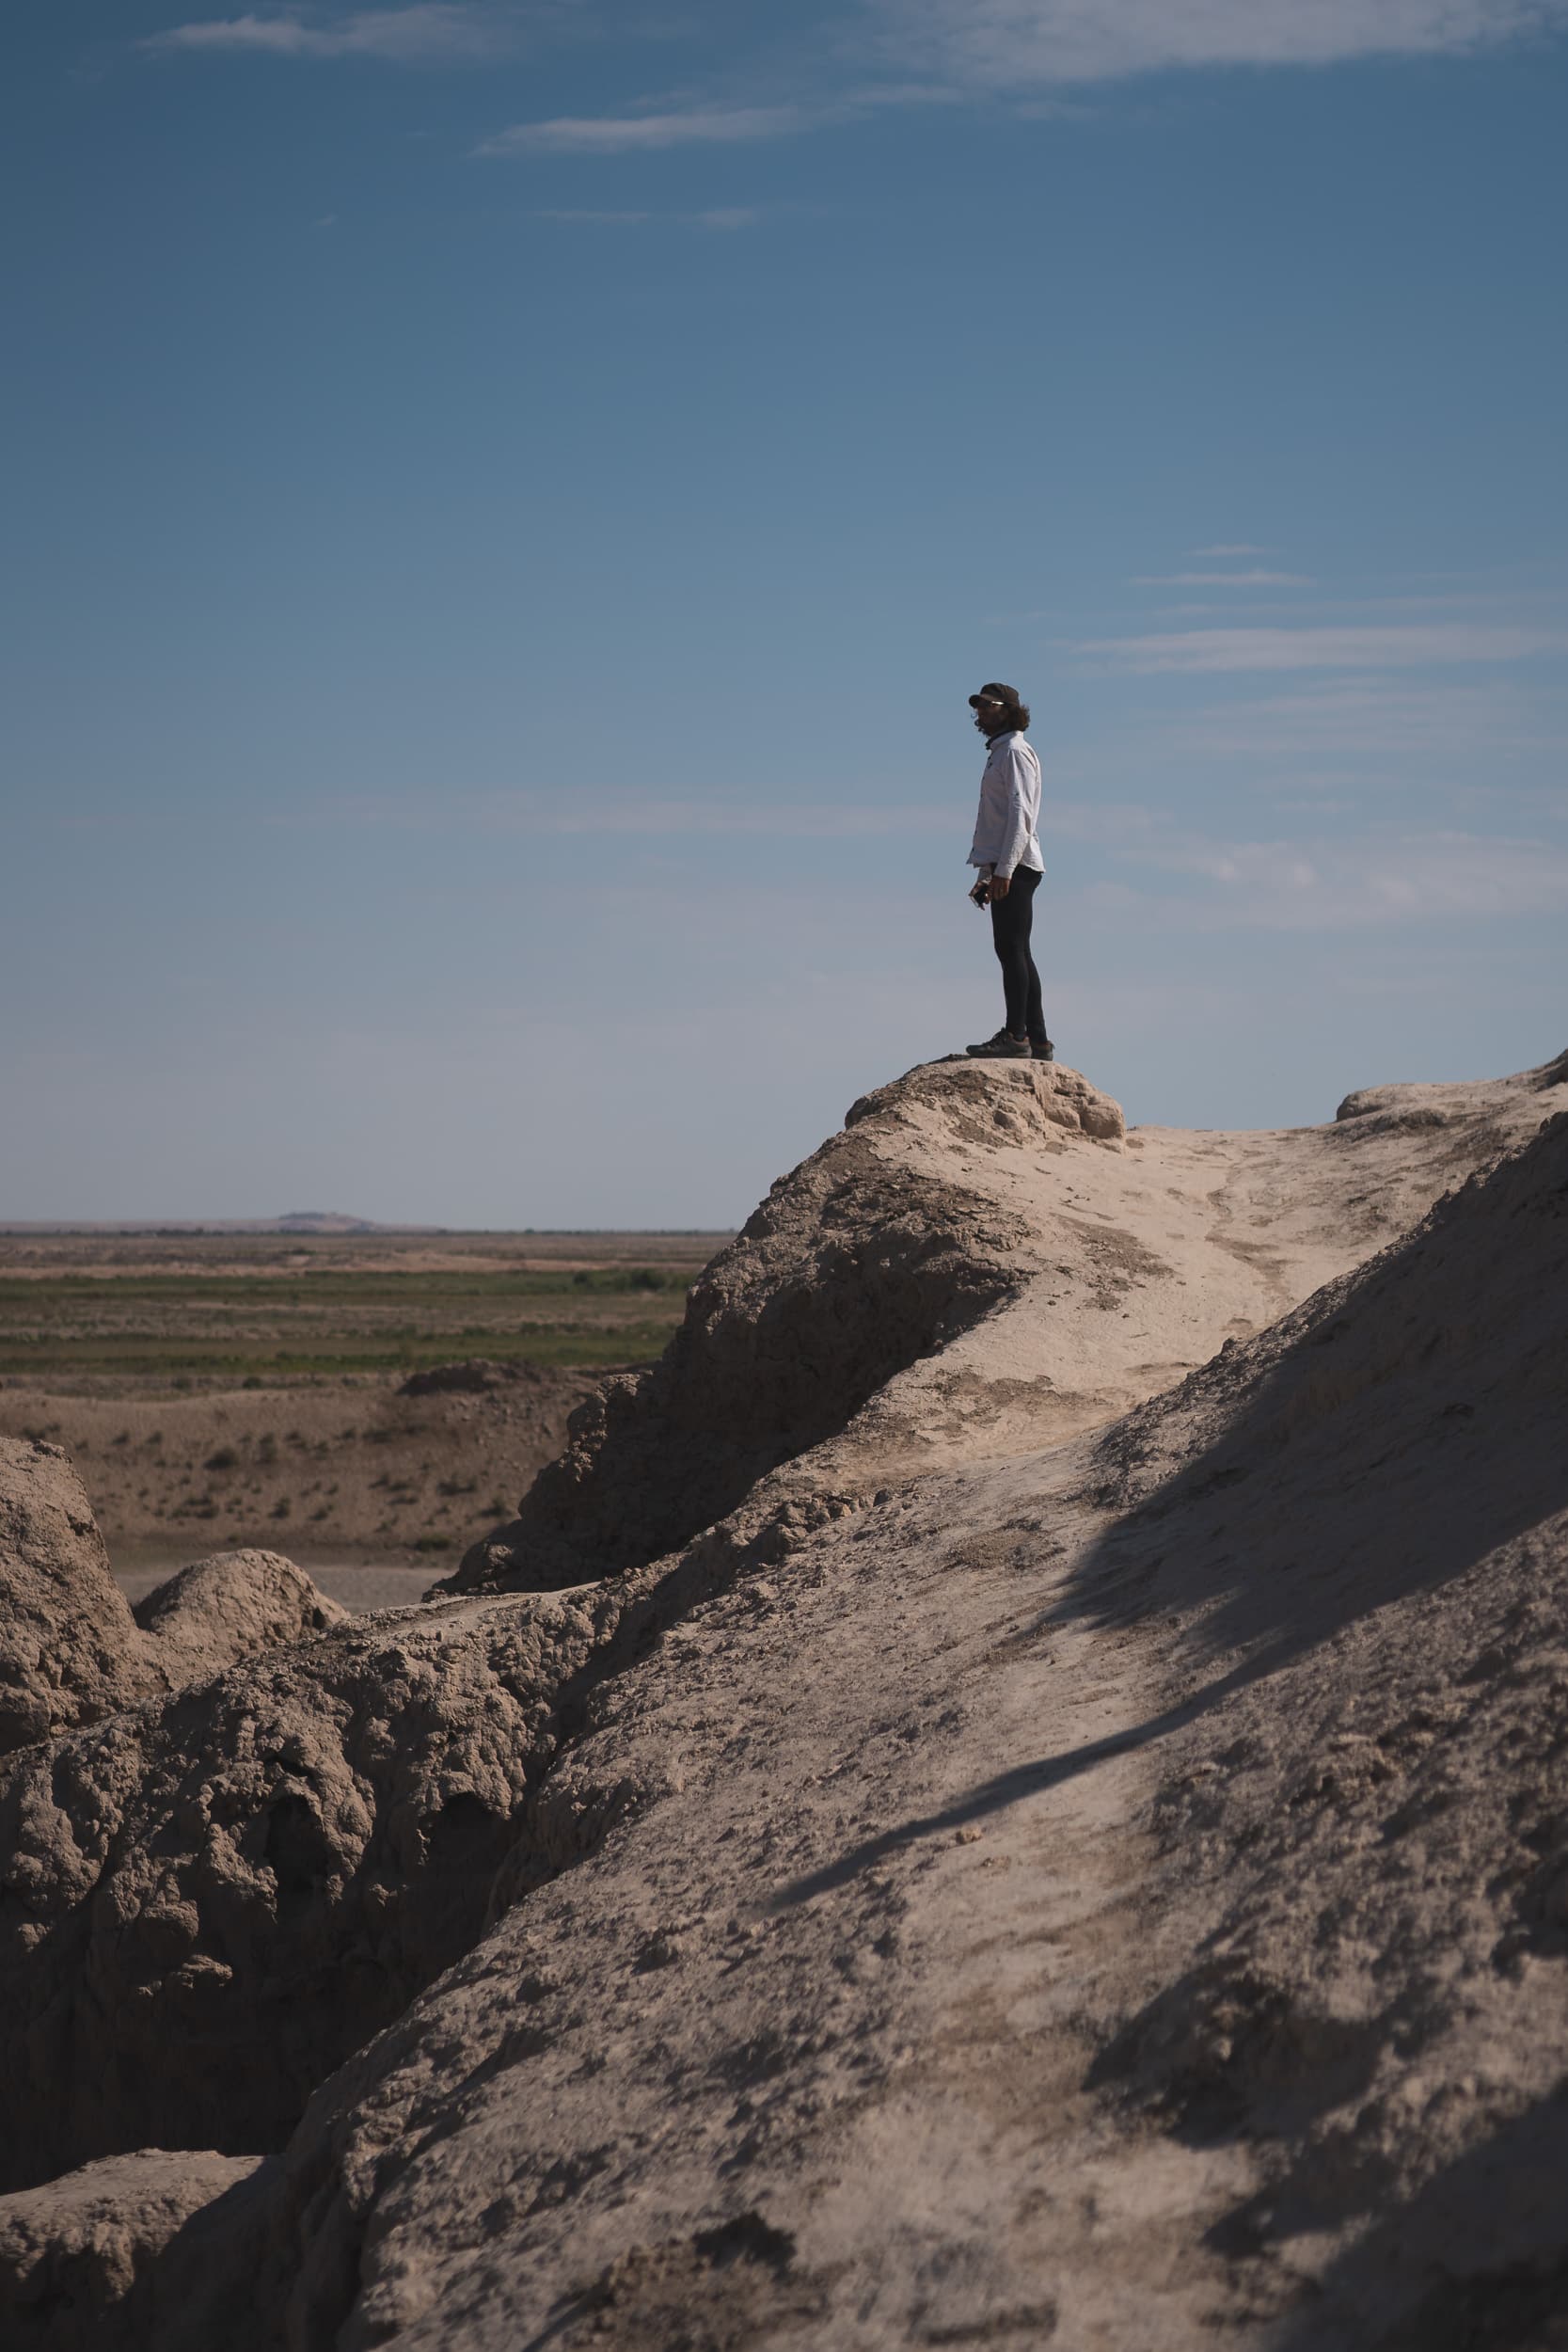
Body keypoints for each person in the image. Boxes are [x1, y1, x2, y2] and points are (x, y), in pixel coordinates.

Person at [963, 682, 1053, 1061]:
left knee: (1011, 949)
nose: (982, 712)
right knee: (1016, 950)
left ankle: (1017, 1035)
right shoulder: (1000, 752)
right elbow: (998, 820)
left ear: (1010, 710)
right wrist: (988, 872)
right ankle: (1037, 1038)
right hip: (1007, 865)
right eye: (980, 707)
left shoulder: (1014, 751)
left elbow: (1020, 815)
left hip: (1016, 865)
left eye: (990, 706)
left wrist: (1005, 870)